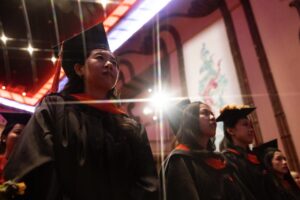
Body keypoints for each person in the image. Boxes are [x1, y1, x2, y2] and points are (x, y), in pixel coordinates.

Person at [3, 23, 158, 200]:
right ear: (79, 69)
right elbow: (35, 164)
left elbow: (147, 182)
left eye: (114, 62)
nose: (109, 64)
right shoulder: (56, 108)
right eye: (100, 58)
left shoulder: (130, 126)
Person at [161, 100, 253, 200]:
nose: (213, 118)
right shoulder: (179, 159)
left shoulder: (220, 159)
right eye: (205, 113)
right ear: (191, 120)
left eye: (212, 114)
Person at [217, 104, 270, 200]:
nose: (251, 129)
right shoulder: (228, 159)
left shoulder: (257, 156)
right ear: (231, 130)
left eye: (251, 125)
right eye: (245, 125)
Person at [0, 112, 31, 184]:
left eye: (27, 134)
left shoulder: (28, 170)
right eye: (18, 132)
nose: (23, 137)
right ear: (4, 137)